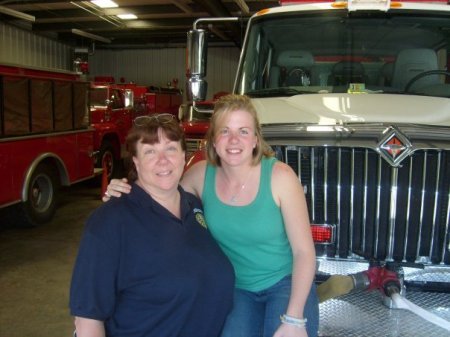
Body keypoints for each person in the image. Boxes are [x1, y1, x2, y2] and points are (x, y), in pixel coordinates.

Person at [104, 95, 319, 337]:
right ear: (214, 141)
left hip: (285, 281)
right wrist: (124, 189)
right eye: (225, 131)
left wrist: (294, 318)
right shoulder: (200, 175)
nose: (234, 140)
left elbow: (304, 252)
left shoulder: (281, 178)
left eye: (244, 131)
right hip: (236, 287)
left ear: (256, 140)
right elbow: (159, 194)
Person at [70, 114, 235, 337]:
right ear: (135, 162)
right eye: (150, 151)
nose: (163, 160)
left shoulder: (195, 207)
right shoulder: (109, 222)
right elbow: (88, 319)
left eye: (170, 149)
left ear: (183, 156)